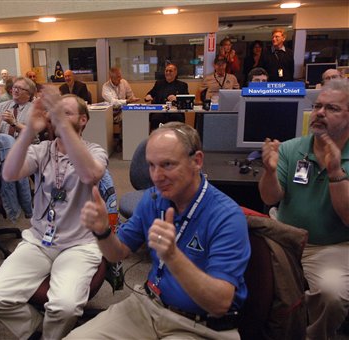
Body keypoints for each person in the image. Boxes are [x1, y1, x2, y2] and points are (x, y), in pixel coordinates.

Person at [67, 121, 250, 339]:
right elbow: (117, 253)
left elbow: (220, 303)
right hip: (149, 306)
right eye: (151, 165)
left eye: (167, 165)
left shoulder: (226, 216)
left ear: (197, 161)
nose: (156, 176)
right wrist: (103, 232)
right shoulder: (153, 198)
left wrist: (172, 257)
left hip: (200, 325)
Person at [0, 89, 108, 340]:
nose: (58, 116)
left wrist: (60, 123)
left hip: (79, 244)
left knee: (66, 307)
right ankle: (38, 329)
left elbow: (89, 175)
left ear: (83, 120)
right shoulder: (42, 151)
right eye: (56, 112)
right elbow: (9, 174)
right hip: (39, 240)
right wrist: (29, 129)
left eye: (67, 112)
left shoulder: (94, 151)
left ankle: (52, 336)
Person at [259, 78, 349, 340]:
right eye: (318, 106)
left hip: (331, 246)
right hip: (286, 239)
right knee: (248, 275)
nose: (320, 113)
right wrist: (269, 171)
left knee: (331, 296)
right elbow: (271, 197)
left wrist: (334, 172)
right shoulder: (291, 148)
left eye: (332, 108)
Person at [0, 77, 35, 222]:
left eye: (20, 88)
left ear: (29, 93)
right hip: (2, 150)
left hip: (27, 147)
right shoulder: (2, 106)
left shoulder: (33, 109)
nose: (15, 90)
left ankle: (11, 205)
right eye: (14, 87)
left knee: (10, 156)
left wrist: (14, 123)